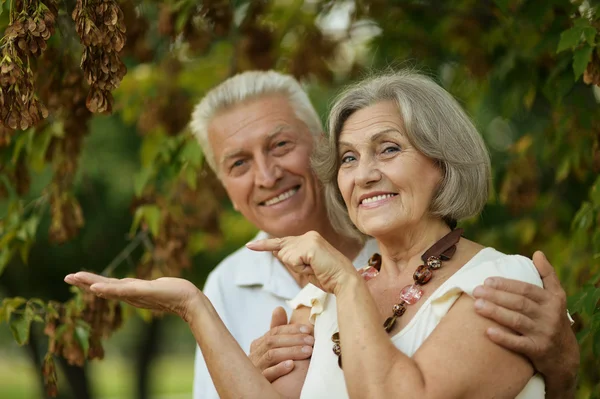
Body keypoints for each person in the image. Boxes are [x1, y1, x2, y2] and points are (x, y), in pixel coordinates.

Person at [65, 70, 579, 398]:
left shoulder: (497, 279)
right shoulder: (321, 294)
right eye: (351, 158)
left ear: (443, 163)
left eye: (390, 149)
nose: (365, 173)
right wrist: (193, 306)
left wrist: (346, 283)